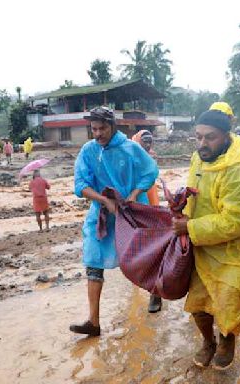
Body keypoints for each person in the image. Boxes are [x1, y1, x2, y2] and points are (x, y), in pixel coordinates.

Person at [172, 110, 240, 370]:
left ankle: (227, 342)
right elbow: (196, 193)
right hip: (202, 246)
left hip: (235, 250)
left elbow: (235, 222)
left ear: (227, 136)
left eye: (210, 138)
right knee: (199, 304)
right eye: (198, 137)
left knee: (228, 304)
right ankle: (208, 342)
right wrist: (180, 201)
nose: (202, 144)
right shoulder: (198, 159)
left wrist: (189, 227)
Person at [70, 106, 159, 336]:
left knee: (141, 256)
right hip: (102, 214)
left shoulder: (131, 149)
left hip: (132, 211)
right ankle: (93, 322)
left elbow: (150, 172)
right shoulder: (88, 151)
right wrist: (103, 200)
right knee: (93, 258)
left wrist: (132, 195)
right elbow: (80, 184)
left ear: (113, 126)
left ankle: (155, 290)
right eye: (94, 129)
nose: (97, 134)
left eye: (102, 129)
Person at [131, 129, 162, 313]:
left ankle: (155, 293)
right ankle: (141, 287)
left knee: (152, 251)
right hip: (135, 207)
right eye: (145, 141)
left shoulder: (151, 158)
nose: (148, 144)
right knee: (137, 251)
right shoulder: (129, 156)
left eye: (150, 141)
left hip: (151, 206)